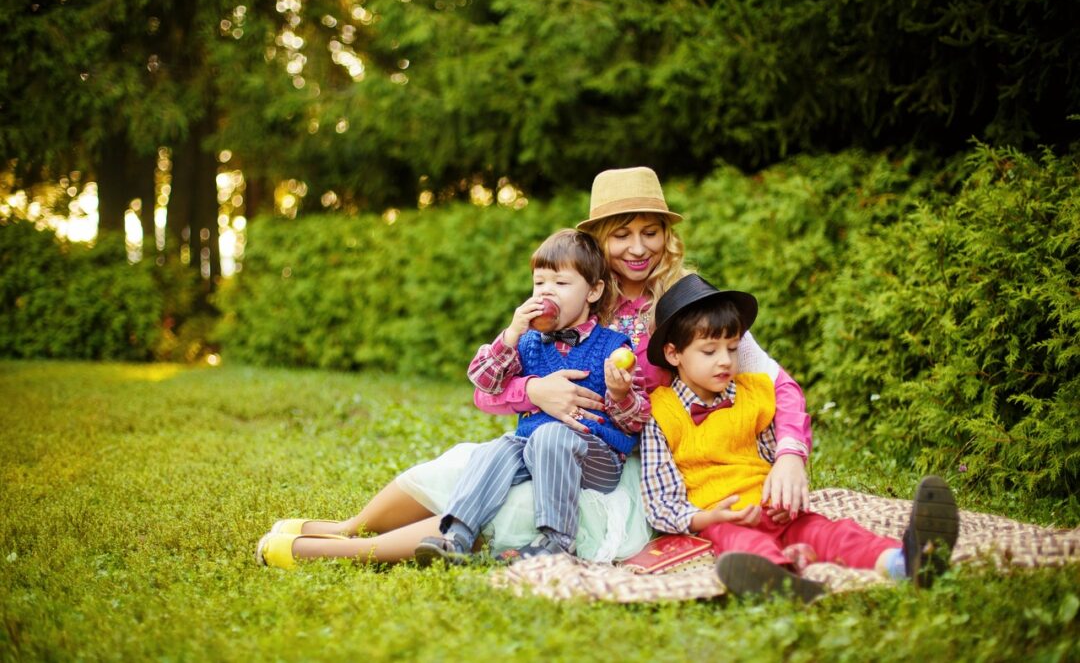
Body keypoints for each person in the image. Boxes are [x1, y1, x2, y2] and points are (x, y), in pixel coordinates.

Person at [255, 167, 810, 568]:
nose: (637, 248)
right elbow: (490, 390)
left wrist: (789, 455)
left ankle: (345, 551)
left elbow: (774, 383)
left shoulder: (689, 303)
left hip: (634, 463)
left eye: (650, 231)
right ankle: (347, 527)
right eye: (620, 233)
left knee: (514, 505)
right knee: (467, 467)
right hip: (547, 435)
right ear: (596, 241)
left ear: (668, 235)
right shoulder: (568, 296)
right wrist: (536, 390)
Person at [640, 273, 961, 601]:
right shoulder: (660, 414)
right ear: (673, 354)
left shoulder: (754, 393)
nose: (725, 360)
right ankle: (781, 582)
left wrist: (784, 500)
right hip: (725, 517)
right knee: (745, 546)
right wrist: (711, 516)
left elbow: (771, 459)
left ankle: (907, 563)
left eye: (733, 348)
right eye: (709, 351)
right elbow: (662, 503)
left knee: (833, 532)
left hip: (774, 509)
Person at [412, 229, 650, 565]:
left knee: (551, 435)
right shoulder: (526, 342)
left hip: (596, 457)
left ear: (593, 291)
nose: (547, 292)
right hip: (533, 448)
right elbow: (484, 382)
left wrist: (620, 393)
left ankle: (556, 541)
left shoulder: (613, 347)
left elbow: (636, 420)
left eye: (561, 284)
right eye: (540, 283)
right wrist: (510, 334)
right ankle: (456, 537)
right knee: (496, 447)